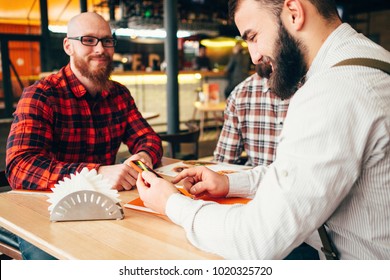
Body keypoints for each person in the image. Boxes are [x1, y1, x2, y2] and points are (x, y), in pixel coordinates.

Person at [136, 0, 390, 260]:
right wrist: (228, 182)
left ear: (294, 12)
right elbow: (297, 175)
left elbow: (256, 240)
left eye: (253, 36)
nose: (254, 57)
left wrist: (171, 204)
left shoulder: (333, 91)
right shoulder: (370, 61)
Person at [5, 12, 163, 259]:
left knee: (149, 251)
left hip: (106, 207)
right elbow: (19, 168)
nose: (100, 49)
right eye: (88, 40)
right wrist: (97, 173)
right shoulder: (41, 96)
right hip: (47, 213)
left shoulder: (119, 94)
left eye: (107, 41)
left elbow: (149, 139)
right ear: (68, 46)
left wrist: (141, 158)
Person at [214, 63, 290, 166]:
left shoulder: (312, 89)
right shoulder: (240, 94)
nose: (254, 59)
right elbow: (222, 163)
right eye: (250, 45)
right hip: (254, 181)